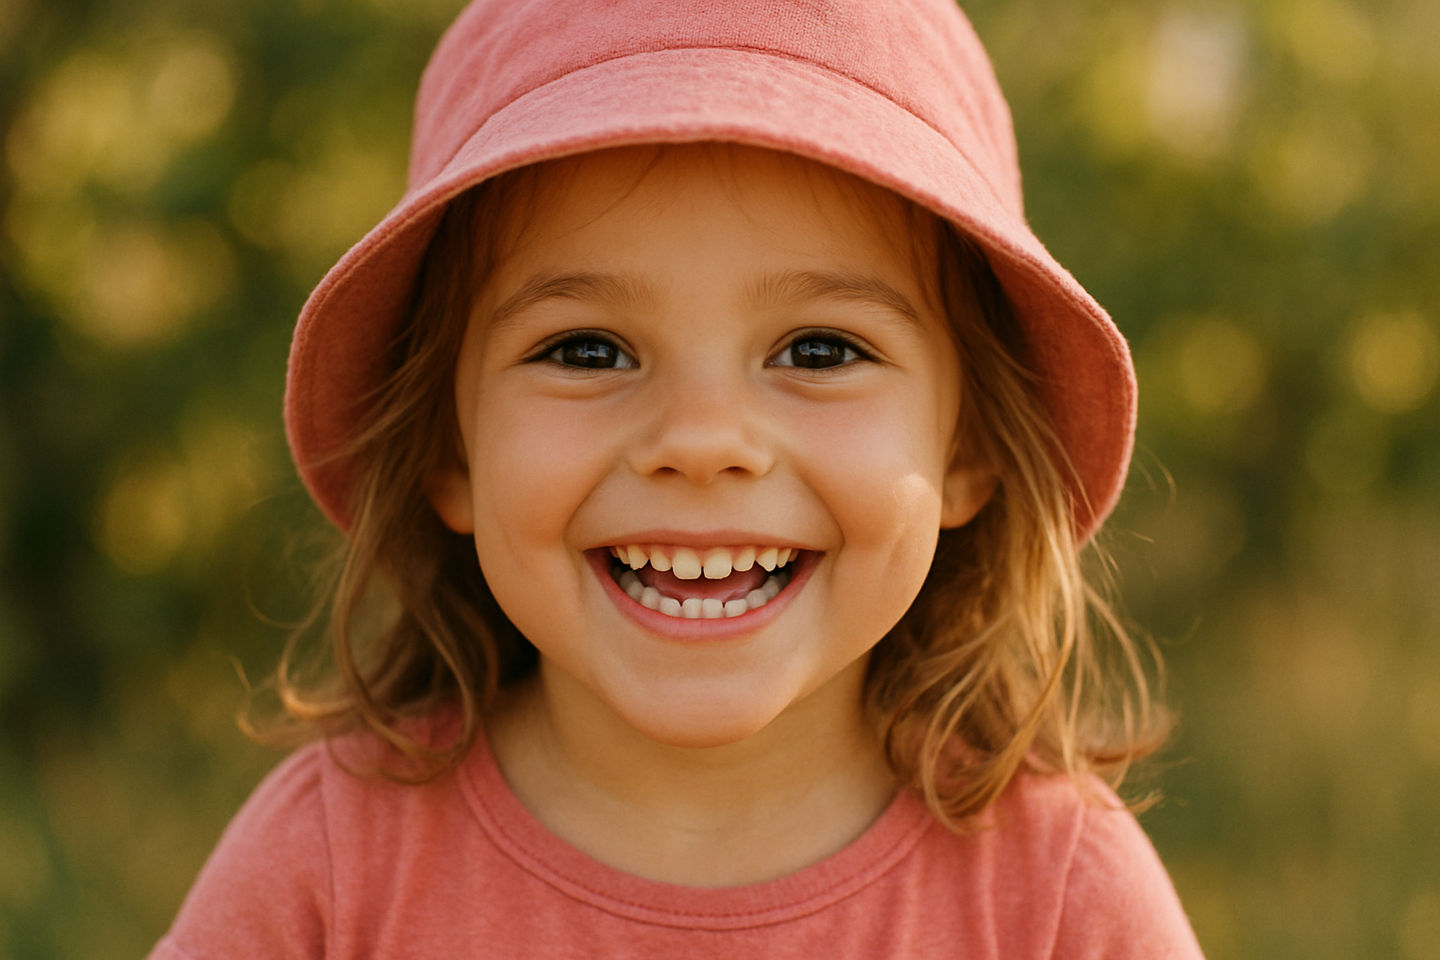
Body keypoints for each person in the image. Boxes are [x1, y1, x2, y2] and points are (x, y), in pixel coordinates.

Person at [151, 0, 1205, 956]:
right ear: (449, 449)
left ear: (968, 449)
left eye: (821, 350)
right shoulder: (330, 870)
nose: (701, 442)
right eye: (588, 351)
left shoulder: (1060, 901)